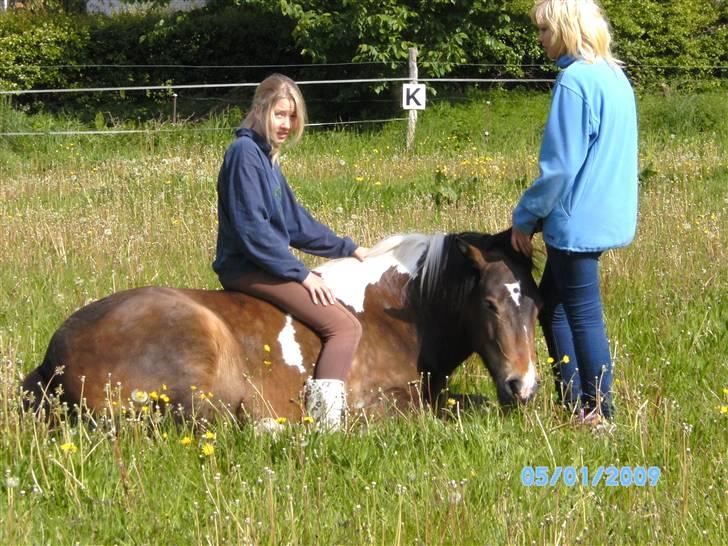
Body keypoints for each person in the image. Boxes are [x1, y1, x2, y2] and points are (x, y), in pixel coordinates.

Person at [213, 74, 368, 430]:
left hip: (263, 262)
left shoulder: (265, 157)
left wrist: (349, 248)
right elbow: (252, 232)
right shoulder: (244, 155)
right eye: (280, 115)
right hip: (247, 267)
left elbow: (295, 224)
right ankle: (327, 428)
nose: (286, 125)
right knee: (344, 328)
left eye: (292, 117)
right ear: (259, 109)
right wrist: (300, 273)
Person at [510, 0, 638, 425]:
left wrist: (525, 217)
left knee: (582, 315)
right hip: (606, 215)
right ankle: (574, 399)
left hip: (575, 221)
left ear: (565, 29)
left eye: (545, 30)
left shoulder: (574, 81)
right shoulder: (614, 76)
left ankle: (600, 412)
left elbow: (560, 166)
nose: (541, 39)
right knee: (555, 308)